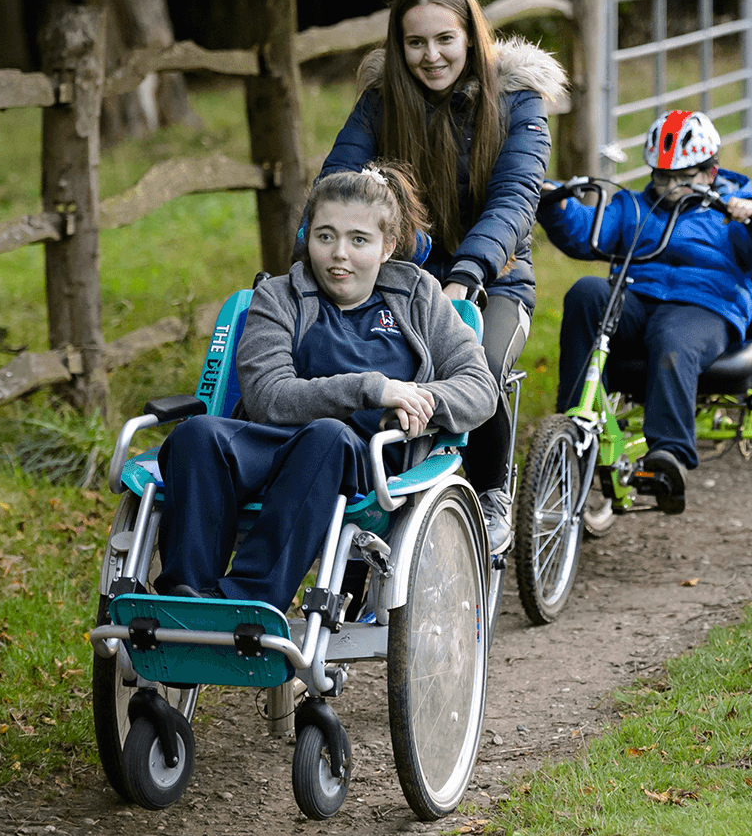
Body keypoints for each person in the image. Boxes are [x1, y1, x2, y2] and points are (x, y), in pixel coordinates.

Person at [155, 165, 496, 608]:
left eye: (359, 240)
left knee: (327, 436)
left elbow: (480, 387)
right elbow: (267, 396)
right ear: (307, 236)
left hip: (365, 460)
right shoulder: (279, 297)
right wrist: (370, 388)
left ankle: (247, 599)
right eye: (325, 236)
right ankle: (187, 598)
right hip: (275, 441)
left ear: (387, 246)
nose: (339, 254)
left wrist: (423, 398)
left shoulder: (418, 297)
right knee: (196, 434)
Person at [318, 0, 567, 552]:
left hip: (494, 277)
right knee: (359, 366)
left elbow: (514, 201)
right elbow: (338, 182)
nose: (431, 56)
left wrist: (467, 275)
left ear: (471, 37)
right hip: (402, 279)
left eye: (444, 40)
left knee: (476, 361)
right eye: (415, 43)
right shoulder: (381, 104)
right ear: (398, 47)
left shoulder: (517, 103)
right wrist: (320, 242)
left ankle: (490, 489)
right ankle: (369, 494)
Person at [539, 110, 752, 514]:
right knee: (587, 291)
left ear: (710, 172)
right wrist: (556, 205)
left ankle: (669, 455)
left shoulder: (732, 211)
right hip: (637, 300)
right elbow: (587, 234)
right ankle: (576, 426)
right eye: (661, 177)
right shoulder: (633, 208)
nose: (670, 187)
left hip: (704, 309)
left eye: (682, 177)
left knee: (672, 338)